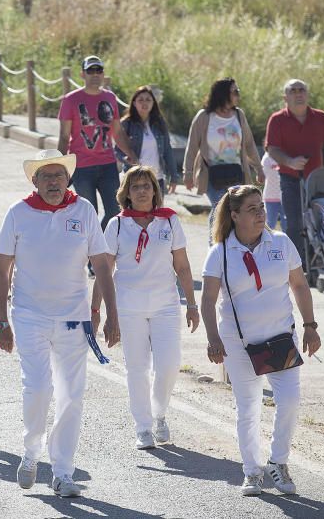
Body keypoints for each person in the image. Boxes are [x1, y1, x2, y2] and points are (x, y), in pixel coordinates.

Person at [0, 149, 120, 498]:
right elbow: (2, 271)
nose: (53, 182)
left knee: (71, 396)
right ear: (34, 181)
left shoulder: (84, 210)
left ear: (68, 180)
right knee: (37, 388)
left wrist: (110, 314)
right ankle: (32, 452)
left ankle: (63, 472)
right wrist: (1, 322)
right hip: (29, 314)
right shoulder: (19, 213)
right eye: (46, 177)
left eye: (59, 176)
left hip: (73, 318)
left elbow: (103, 265)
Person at [201, 185, 321, 496]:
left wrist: (310, 325)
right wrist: (213, 338)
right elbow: (209, 299)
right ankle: (252, 471)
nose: (260, 213)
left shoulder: (280, 242)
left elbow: (300, 284)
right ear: (235, 215)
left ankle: (277, 463)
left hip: (281, 338)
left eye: (261, 207)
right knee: (248, 407)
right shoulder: (220, 253)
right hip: (239, 344)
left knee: (290, 400)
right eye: (252, 209)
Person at [94, 166, 199, 450]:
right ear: (126, 193)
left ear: (155, 190)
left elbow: (183, 266)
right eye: (135, 186)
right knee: (137, 369)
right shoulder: (116, 224)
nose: (141, 191)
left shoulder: (169, 221)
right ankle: (143, 427)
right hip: (128, 307)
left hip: (165, 304)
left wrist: (191, 303)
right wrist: (98, 311)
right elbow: (105, 268)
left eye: (146, 185)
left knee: (168, 365)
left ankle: (159, 413)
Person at [58, 56, 139, 230]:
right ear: (82, 74)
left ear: (103, 74)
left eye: (98, 70)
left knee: (116, 211)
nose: (95, 74)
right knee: (89, 214)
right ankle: (91, 254)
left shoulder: (110, 98)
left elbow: (117, 131)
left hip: (108, 165)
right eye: (90, 71)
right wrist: (59, 166)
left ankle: (98, 247)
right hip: (81, 167)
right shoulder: (71, 100)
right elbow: (64, 136)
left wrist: (131, 154)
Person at [264, 79, 324, 267]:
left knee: (320, 220)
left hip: (317, 180)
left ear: (307, 93)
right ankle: (298, 265)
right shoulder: (277, 119)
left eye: (302, 90)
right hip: (290, 178)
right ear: (285, 97)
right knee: (295, 222)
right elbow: (272, 149)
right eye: (293, 90)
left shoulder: (320, 117)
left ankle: (319, 259)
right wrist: (290, 161)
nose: (298, 94)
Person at [182, 77, 263, 236]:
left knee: (236, 211)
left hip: (236, 173)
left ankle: (232, 246)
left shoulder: (239, 115)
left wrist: (259, 169)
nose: (238, 95)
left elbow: (249, 144)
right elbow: (192, 147)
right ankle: (215, 246)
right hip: (212, 174)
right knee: (220, 208)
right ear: (223, 94)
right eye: (235, 92)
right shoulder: (204, 116)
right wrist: (188, 173)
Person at [117, 86, 177, 194]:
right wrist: (125, 158)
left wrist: (174, 176)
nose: (144, 103)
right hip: (134, 179)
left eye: (148, 100)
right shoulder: (126, 123)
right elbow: (117, 149)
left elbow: (168, 150)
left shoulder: (159, 123)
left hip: (156, 179)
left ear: (153, 103)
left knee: (156, 211)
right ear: (134, 103)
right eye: (140, 100)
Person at [261, 153, 286, 232]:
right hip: (270, 196)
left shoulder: (286, 155)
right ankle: (267, 243)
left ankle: (287, 243)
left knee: (286, 224)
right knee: (270, 224)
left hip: (285, 196)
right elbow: (264, 175)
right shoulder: (266, 158)